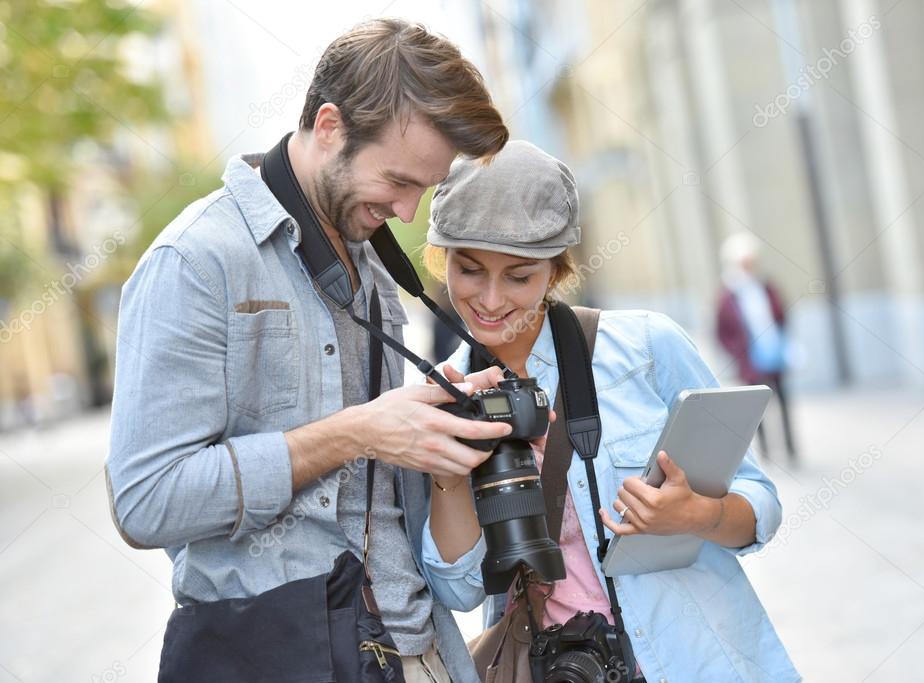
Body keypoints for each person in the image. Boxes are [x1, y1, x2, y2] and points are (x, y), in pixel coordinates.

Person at [105, 19, 515, 683]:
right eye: (399, 180)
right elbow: (145, 498)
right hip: (279, 656)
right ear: (330, 125)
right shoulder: (194, 262)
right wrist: (356, 432)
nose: (409, 213)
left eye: (425, 189)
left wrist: (445, 434)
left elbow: (387, 510)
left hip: (417, 652)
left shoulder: (374, 272)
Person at [418, 141, 800, 681]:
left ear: (556, 271)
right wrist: (447, 469)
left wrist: (699, 515)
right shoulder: (441, 396)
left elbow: (761, 504)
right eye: (470, 270)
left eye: (520, 276)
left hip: (701, 663)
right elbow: (457, 590)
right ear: (443, 261)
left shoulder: (647, 347)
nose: (491, 299)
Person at [715, 233, 798, 462]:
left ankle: (791, 448)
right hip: (749, 359)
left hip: (773, 354)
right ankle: (767, 452)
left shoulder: (766, 286)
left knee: (783, 400)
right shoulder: (728, 295)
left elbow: (781, 314)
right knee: (758, 407)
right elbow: (721, 331)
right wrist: (738, 354)